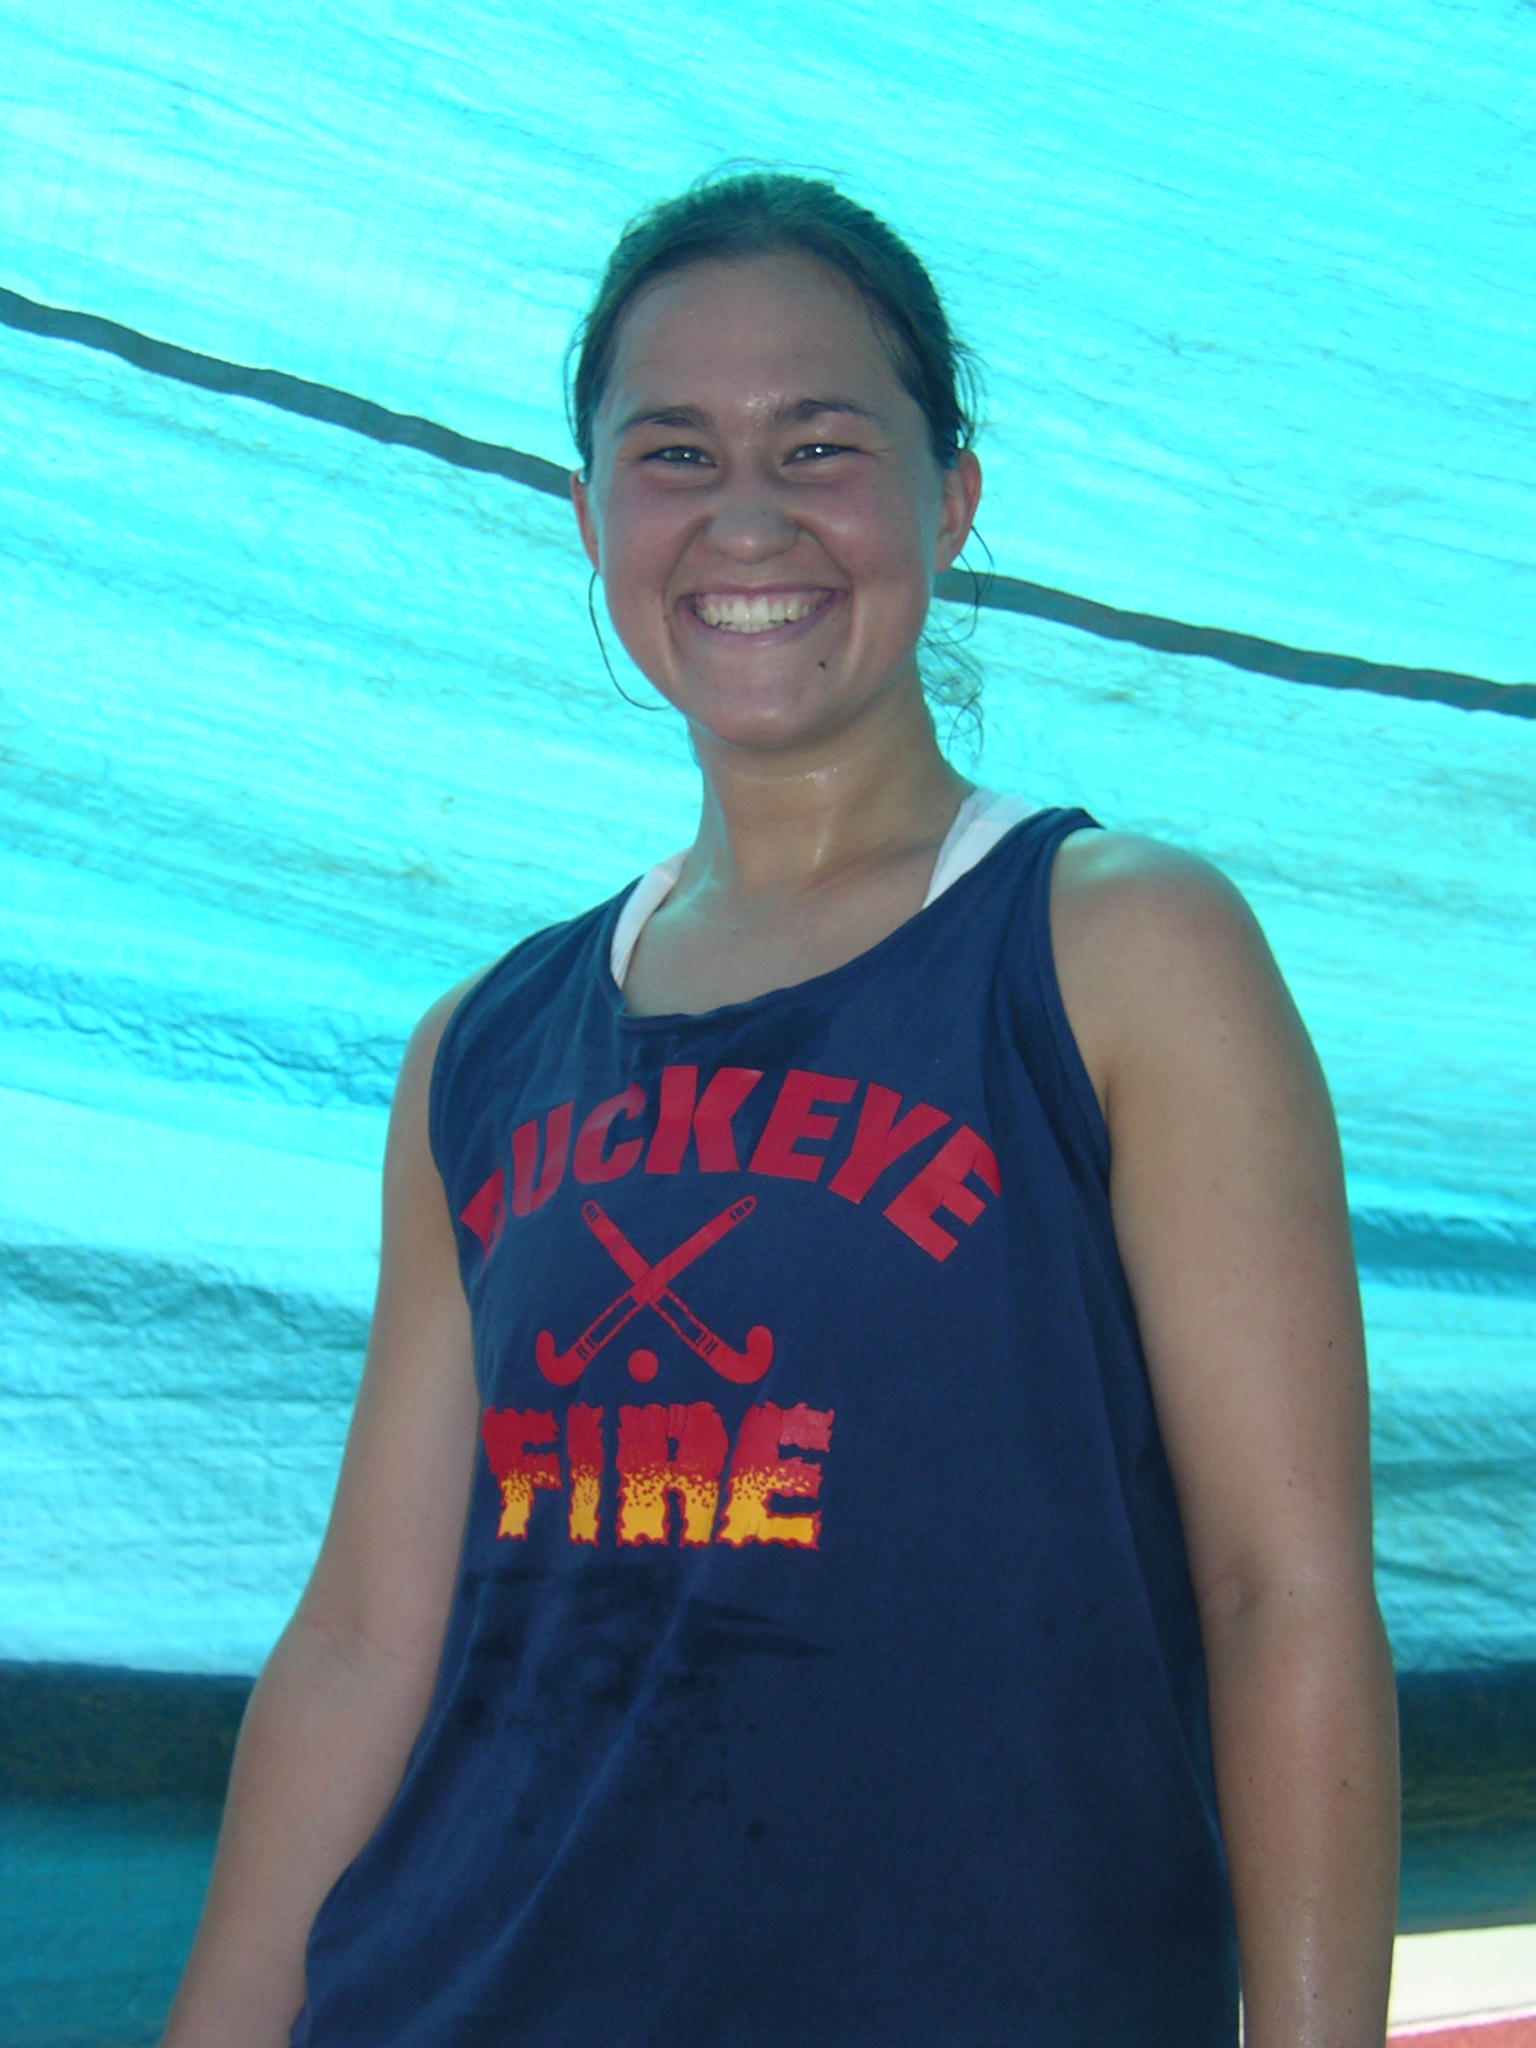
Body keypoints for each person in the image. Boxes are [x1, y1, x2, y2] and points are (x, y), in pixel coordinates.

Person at [163, 171, 1399, 2048]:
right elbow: (359, 1645)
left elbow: (1281, 1597)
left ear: (948, 500)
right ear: (593, 516)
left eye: (820, 444)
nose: (747, 516)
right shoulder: (483, 1046)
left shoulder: (1118, 947)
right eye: (673, 452)